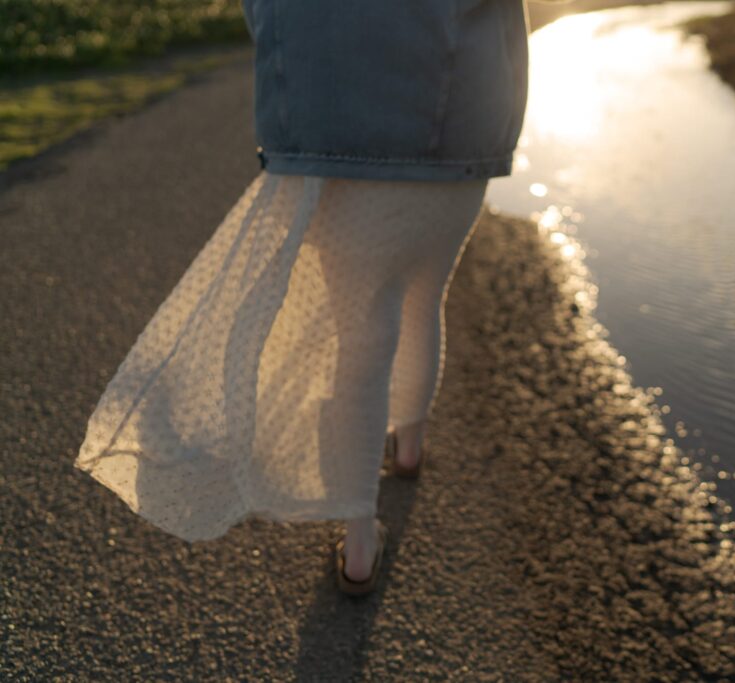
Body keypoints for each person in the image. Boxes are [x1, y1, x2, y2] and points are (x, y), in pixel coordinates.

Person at [75, 0, 530, 596]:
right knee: (425, 299)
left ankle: (361, 542)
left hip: (329, 126)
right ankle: (410, 448)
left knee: (363, 334)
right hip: (460, 132)